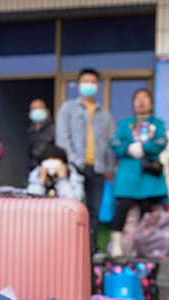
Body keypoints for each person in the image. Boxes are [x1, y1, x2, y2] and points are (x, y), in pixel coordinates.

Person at [56, 68, 116, 250]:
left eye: (92, 81)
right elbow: (62, 136)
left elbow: (111, 142)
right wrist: (71, 161)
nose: (88, 85)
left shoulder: (105, 114)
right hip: (75, 166)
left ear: (97, 86)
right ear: (78, 85)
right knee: (73, 208)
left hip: (98, 168)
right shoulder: (68, 108)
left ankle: (91, 247)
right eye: (85, 81)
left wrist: (109, 168)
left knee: (94, 211)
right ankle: (71, 246)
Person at [108, 88, 168, 257]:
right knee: (123, 206)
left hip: (148, 171)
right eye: (137, 98)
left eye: (145, 98)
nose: (141, 102)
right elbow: (114, 141)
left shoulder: (158, 123)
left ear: (151, 103)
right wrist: (128, 148)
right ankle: (117, 246)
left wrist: (146, 147)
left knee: (146, 210)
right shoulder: (124, 123)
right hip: (128, 170)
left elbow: (162, 141)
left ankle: (145, 246)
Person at [27, 99, 55, 173]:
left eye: (39, 108)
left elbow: (40, 150)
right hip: (33, 168)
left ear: (47, 112)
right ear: (29, 114)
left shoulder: (53, 128)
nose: (36, 111)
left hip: (48, 169)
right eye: (33, 109)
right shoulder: (31, 130)